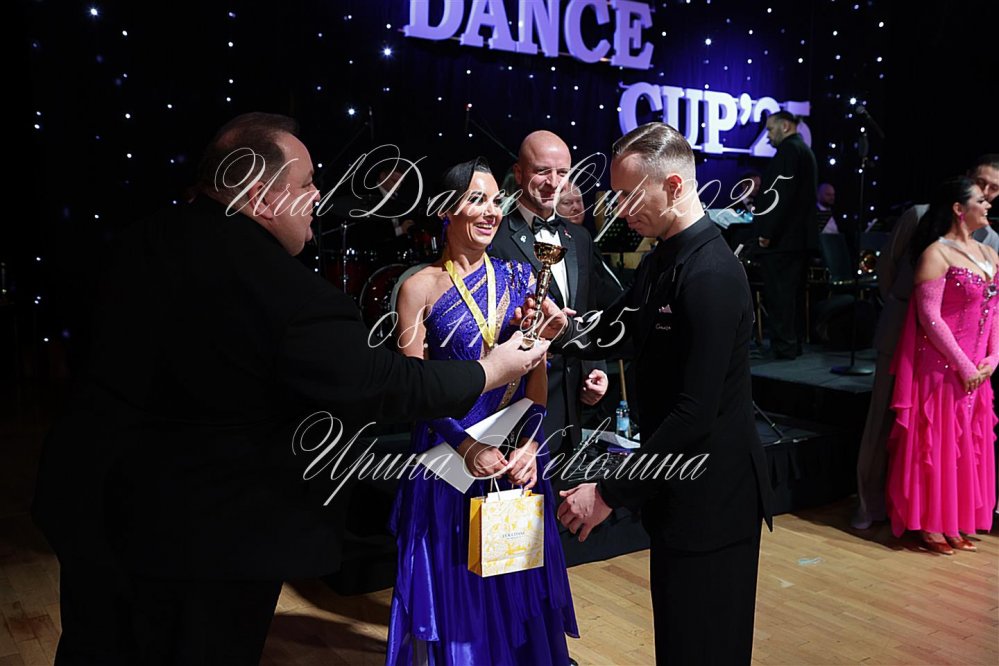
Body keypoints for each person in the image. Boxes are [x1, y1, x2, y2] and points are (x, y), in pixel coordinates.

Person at [31, 113, 549, 665]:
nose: (319, 195)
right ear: (262, 197)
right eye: (306, 183)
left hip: (92, 507)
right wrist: (490, 372)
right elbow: (379, 383)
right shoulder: (284, 290)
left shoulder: (137, 241)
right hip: (206, 543)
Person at [549, 122, 773, 664]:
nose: (619, 210)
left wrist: (607, 493)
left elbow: (693, 415)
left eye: (629, 195)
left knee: (705, 648)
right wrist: (560, 332)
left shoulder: (712, 274)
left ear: (673, 186)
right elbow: (622, 328)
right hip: (677, 497)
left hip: (713, 502)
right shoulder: (661, 258)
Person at [386, 157, 578, 665]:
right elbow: (414, 389)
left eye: (496, 200)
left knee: (517, 599)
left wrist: (531, 446)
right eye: (477, 200)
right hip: (448, 464)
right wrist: (467, 446)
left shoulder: (522, 278)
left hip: (515, 461)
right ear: (445, 209)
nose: (492, 212)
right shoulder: (418, 289)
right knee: (459, 599)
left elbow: (537, 379)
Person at [853, 155, 999, 529]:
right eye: (982, 184)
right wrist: (902, 310)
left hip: (955, 346)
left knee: (940, 434)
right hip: (903, 327)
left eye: (994, 189)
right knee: (884, 421)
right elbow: (888, 267)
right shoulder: (919, 215)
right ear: (968, 178)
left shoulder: (989, 238)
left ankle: (932, 512)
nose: (986, 194)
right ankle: (869, 505)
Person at [885, 175, 998, 554]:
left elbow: (995, 310)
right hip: (942, 367)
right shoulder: (936, 254)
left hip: (977, 370)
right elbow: (930, 317)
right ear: (958, 208)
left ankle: (956, 520)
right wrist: (963, 365)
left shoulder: (990, 255)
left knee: (966, 444)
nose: (988, 205)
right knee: (938, 445)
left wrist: (994, 356)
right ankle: (932, 523)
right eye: (981, 200)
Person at [489, 130, 620, 454]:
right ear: (519, 173)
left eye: (562, 172)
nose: (553, 182)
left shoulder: (579, 238)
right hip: (513, 409)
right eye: (542, 171)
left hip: (571, 405)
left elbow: (588, 310)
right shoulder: (495, 238)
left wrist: (594, 368)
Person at [755, 110, 818, 359]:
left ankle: (784, 346)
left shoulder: (789, 151)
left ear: (785, 126)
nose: (768, 136)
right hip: (798, 239)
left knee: (780, 295)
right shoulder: (804, 151)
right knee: (793, 295)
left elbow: (780, 195)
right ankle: (793, 344)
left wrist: (767, 232)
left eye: (770, 129)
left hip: (783, 240)